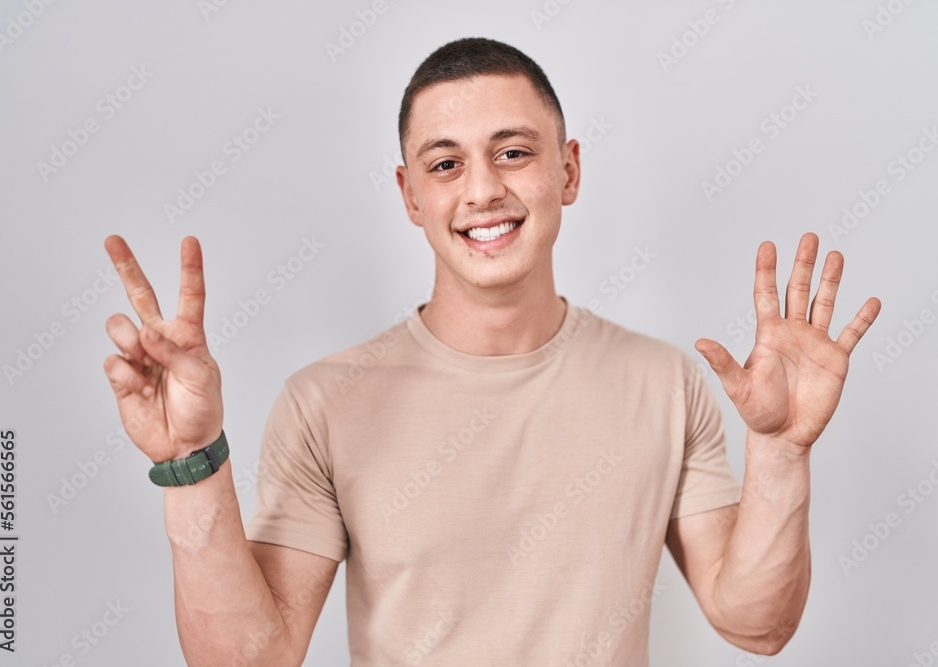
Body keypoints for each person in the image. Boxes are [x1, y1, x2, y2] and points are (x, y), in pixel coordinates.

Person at [102, 37, 880, 666]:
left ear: (568, 170)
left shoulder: (664, 382)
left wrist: (779, 452)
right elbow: (247, 659)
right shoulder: (325, 401)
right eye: (446, 164)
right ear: (411, 194)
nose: (481, 191)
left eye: (513, 152)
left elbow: (756, 623)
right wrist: (193, 461)